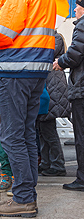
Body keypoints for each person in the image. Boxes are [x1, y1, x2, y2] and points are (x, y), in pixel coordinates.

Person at [0, 0, 56, 217]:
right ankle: (27, 195)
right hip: (35, 68)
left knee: (12, 137)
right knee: (26, 135)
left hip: (15, 68)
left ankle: (24, 198)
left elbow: (4, 32)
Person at [53, 1, 84, 191]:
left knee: (81, 136)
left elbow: (75, 54)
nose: (75, 8)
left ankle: (82, 179)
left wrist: (60, 62)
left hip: (82, 88)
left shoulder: (82, 25)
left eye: (78, 5)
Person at [37, 32, 70, 176]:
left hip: (51, 91)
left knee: (48, 131)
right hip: (48, 89)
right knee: (43, 131)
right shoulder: (50, 37)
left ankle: (57, 165)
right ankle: (47, 163)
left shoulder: (54, 38)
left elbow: (46, 53)